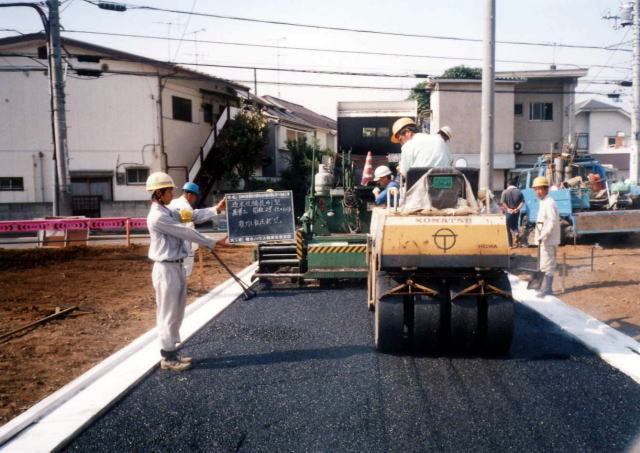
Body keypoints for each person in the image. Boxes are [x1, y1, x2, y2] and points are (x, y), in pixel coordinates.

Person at [146, 171, 227, 371]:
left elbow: (191, 216)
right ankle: (167, 356)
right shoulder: (158, 217)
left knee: (177, 310)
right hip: (166, 268)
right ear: (158, 193)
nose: (172, 194)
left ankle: (173, 351)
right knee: (167, 312)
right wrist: (212, 243)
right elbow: (186, 231)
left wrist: (215, 209)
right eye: (169, 191)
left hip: (176, 266)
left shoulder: (167, 211)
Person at [167, 181, 226, 278]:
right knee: (184, 274)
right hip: (184, 248)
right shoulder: (185, 207)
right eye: (195, 196)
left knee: (174, 274)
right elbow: (193, 221)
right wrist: (211, 242)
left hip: (172, 248)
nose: (195, 199)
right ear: (189, 195)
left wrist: (217, 209)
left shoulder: (173, 203)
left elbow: (195, 215)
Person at [532, 176, 560, 297]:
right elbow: (541, 221)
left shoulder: (549, 203)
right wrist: (537, 234)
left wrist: (543, 235)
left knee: (548, 263)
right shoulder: (543, 202)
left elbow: (552, 222)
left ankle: (548, 289)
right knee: (544, 263)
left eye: (539, 189)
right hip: (543, 239)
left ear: (545, 189)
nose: (537, 191)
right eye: (535, 189)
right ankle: (544, 287)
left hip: (549, 239)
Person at [500, 179, 525, 248]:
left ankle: (510, 245)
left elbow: (503, 202)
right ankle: (516, 233)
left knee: (507, 228)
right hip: (516, 211)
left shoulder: (505, 192)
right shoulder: (519, 192)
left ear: (508, 184)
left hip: (508, 212)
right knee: (515, 224)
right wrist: (517, 209)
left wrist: (508, 209)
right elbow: (522, 202)